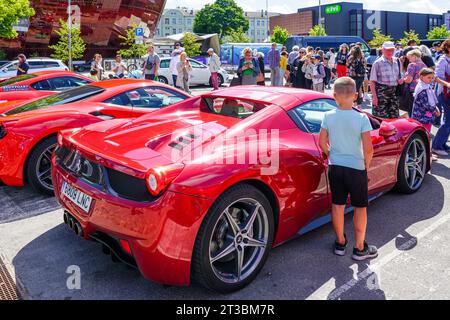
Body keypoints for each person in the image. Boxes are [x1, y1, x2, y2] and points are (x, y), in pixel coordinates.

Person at [319, 77, 377, 261]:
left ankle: (340, 242)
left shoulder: (328, 116)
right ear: (356, 95)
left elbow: (322, 142)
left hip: (336, 166)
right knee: (360, 207)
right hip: (356, 167)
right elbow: (368, 148)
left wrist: (331, 154)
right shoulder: (361, 118)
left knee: (337, 205)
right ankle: (360, 248)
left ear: (334, 96)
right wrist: (365, 165)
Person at [370, 41, 404, 119]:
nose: (390, 52)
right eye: (388, 50)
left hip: (394, 93)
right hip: (381, 93)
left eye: (392, 50)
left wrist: (401, 80)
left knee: (394, 117)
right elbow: (372, 81)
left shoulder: (397, 61)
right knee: (380, 118)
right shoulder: (377, 63)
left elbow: (400, 75)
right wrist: (374, 97)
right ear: (382, 50)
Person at [431, 40, 450, 156]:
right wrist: (447, 84)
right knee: (448, 120)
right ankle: (436, 146)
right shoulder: (443, 60)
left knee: (448, 120)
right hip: (444, 93)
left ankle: (442, 143)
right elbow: (436, 77)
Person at [411, 68, 440, 133]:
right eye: (429, 77)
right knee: (423, 133)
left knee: (425, 132)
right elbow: (426, 104)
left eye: (432, 78)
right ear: (421, 77)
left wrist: (435, 107)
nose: (431, 80)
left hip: (426, 116)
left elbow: (431, 100)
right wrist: (435, 110)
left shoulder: (426, 86)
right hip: (421, 117)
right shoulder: (422, 89)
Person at [403, 49, 427, 115]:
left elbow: (409, 80)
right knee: (420, 110)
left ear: (414, 56)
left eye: (409, 58)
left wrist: (403, 79)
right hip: (422, 90)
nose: (409, 60)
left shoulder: (412, 65)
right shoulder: (424, 66)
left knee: (412, 110)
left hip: (413, 90)